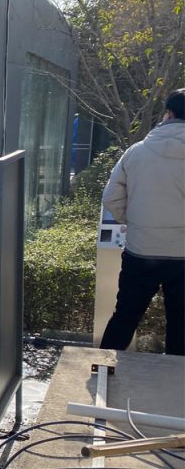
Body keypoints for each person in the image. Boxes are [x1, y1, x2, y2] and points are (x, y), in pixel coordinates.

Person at [100, 88, 185, 356]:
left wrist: (134, 220)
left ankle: (102, 370)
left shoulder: (136, 152)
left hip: (141, 250)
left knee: (125, 316)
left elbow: (111, 197)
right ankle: (176, 387)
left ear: (167, 113)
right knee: (181, 324)